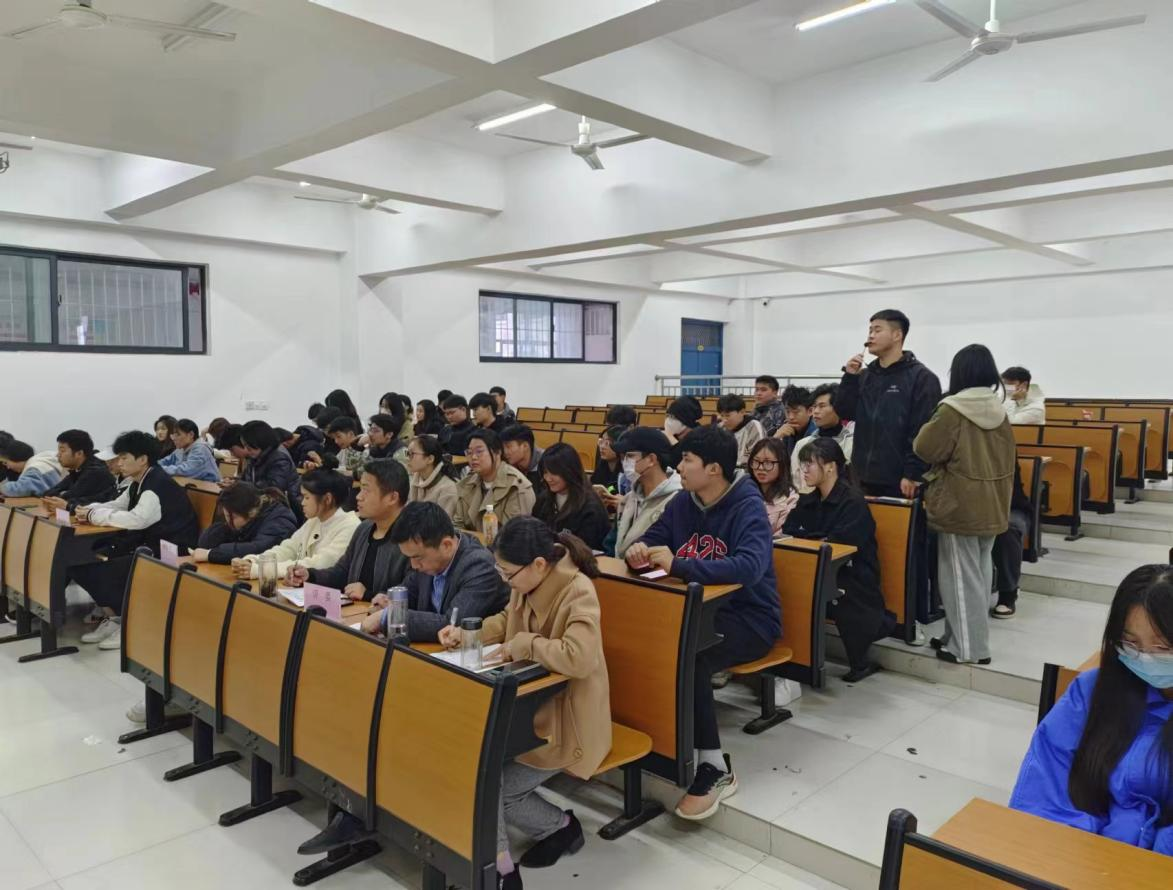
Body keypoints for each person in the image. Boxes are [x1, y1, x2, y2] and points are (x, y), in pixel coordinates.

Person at [439, 518, 611, 887]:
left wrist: (525, 644)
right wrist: (469, 634)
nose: (505, 580)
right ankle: (544, 836)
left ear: (539, 564)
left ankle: (505, 866)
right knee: (475, 767)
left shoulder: (578, 590)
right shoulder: (527, 582)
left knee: (491, 783)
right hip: (528, 710)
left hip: (567, 722)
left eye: (508, 573)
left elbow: (580, 657)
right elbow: (507, 620)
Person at [625, 426, 779, 820]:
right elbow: (655, 538)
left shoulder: (747, 506)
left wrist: (679, 564)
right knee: (647, 644)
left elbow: (750, 566)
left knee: (691, 657)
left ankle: (715, 766)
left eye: (687, 460)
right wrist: (640, 550)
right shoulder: (683, 501)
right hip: (695, 613)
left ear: (713, 469)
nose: (679, 467)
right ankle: (664, 744)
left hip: (749, 618)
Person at [1009, 564, 1173, 855]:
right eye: (1131, 643)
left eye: (1161, 648)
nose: (1145, 658)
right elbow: (1045, 793)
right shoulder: (1091, 692)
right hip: (1086, 857)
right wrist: (1081, 856)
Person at [914, 344, 1016, 666]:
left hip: (960, 503)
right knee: (979, 574)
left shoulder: (952, 410)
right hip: (993, 502)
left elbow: (925, 447)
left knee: (958, 577)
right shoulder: (1000, 410)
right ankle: (957, 636)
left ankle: (969, 649)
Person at [71, 430, 200, 652]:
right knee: (81, 562)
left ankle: (129, 623)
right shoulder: (138, 481)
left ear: (142, 459)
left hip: (169, 552)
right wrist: (88, 510)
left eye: (124, 458)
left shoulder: (156, 484)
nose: (119, 463)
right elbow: (118, 505)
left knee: (101, 570)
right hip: (146, 544)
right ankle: (116, 617)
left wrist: (95, 516)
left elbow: (137, 520)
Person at [784, 438, 895, 681]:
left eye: (809, 464)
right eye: (803, 464)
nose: (803, 470)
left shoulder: (852, 501)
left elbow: (842, 542)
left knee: (841, 594)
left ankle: (859, 662)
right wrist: (817, 538)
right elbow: (791, 529)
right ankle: (793, 663)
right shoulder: (810, 498)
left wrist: (813, 538)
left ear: (830, 467)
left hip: (854, 575)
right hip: (818, 568)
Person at [362, 501, 509, 642]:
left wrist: (389, 617)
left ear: (446, 545)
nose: (413, 565)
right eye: (409, 558)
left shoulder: (479, 565)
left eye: (417, 557)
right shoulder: (427, 561)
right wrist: (387, 602)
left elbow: (452, 624)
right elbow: (408, 595)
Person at [837, 309, 942, 499]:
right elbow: (845, 411)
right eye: (870, 330)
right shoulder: (866, 376)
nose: (871, 335)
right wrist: (849, 378)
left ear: (897, 335)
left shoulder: (921, 378)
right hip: (860, 477)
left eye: (877, 330)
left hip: (900, 480)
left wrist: (913, 473)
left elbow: (922, 430)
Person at [287, 459, 411, 602]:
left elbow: (412, 594)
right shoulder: (364, 529)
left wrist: (368, 594)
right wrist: (310, 575)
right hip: (355, 612)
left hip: (384, 615)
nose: (358, 496)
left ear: (392, 498)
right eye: (360, 489)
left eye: (366, 490)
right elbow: (342, 572)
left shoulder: (411, 537)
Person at [233, 469, 359, 580]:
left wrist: (262, 570)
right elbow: (288, 549)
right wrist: (253, 561)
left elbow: (319, 564)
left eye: (307, 497)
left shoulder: (350, 526)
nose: (302, 503)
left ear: (327, 499)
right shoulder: (315, 520)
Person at [187, 482, 298, 566]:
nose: (228, 521)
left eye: (232, 517)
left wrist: (211, 554)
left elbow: (259, 549)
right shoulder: (244, 517)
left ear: (251, 513)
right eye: (226, 516)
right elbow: (204, 543)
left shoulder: (280, 520)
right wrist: (222, 529)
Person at [612, 427, 681, 558]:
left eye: (630, 456)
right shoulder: (629, 498)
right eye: (622, 457)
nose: (625, 463)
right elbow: (613, 545)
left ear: (651, 459)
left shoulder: (677, 500)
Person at [453, 430, 536, 532]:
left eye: (479, 451)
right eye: (469, 452)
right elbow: (457, 525)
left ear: (497, 452)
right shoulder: (466, 483)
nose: (473, 457)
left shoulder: (516, 486)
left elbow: (513, 533)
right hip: (468, 541)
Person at [532, 443, 611, 551]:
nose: (548, 478)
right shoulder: (543, 499)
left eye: (554, 473)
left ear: (569, 471)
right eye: (545, 472)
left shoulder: (590, 507)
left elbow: (587, 550)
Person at [791, 383, 855, 495]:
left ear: (837, 408)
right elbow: (795, 483)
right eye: (814, 407)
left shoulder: (853, 444)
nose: (815, 411)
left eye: (822, 406)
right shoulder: (802, 444)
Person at [991, 462, 1032, 619]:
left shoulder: (1003, 449)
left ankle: (1008, 592)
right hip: (975, 506)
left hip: (1010, 506)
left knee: (1007, 529)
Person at [42, 429, 118, 512]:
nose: (58, 455)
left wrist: (62, 495)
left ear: (79, 453)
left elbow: (66, 500)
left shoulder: (95, 472)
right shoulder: (77, 470)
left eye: (62, 451)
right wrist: (62, 495)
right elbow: (48, 494)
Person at [240, 420, 302, 514]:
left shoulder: (279, 458)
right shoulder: (256, 457)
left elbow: (273, 490)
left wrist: (245, 489)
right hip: (261, 505)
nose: (246, 450)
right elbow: (246, 479)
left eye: (248, 447)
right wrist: (235, 485)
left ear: (260, 441)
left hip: (283, 510)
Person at [748, 438, 799, 535]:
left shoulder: (790, 498)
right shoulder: (744, 491)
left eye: (768, 463)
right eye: (756, 461)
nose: (760, 468)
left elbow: (782, 536)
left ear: (782, 464)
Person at [406, 435, 459, 517]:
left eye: (412, 454)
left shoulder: (447, 489)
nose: (407, 458)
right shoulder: (415, 481)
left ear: (430, 459)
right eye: (407, 453)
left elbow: (443, 522)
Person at [158, 418, 221, 482]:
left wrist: (158, 469)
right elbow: (165, 461)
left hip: (209, 486)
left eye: (178, 435)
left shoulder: (201, 449)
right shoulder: (181, 448)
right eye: (173, 435)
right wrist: (154, 466)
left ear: (191, 434)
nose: (174, 438)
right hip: (191, 483)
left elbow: (186, 471)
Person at [717, 393, 765, 468]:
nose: (724, 420)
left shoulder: (754, 427)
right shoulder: (720, 428)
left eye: (727, 415)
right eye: (722, 415)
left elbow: (758, 457)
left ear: (742, 412)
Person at [500, 424, 545, 498]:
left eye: (508, 447)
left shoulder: (546, 463)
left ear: (525, 446)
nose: (505, 452)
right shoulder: (506, 463)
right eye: (503, 447)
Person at [664, 395, 704, 469]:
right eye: (667, 416)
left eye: (672, 417)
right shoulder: (674, 435)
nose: (668, 421)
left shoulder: (700, 438)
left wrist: (670, 437)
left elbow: (678, 463)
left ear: (685, 420)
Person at [590, 425, 624, 491]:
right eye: (601, 441)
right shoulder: (601, 466)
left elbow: (614, 489)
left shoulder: (625, 472)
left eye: (607, 443)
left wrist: (606, 490)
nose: (602, 447)